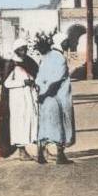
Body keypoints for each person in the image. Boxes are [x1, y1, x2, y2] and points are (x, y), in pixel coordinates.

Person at [34, 33, 75, 165]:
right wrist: (47, 94)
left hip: (44, 96)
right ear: (60, 42)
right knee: (61, 123)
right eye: (66, 41)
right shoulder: (60, 58)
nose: (68, 44)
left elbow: (39, 78)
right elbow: (57, 80)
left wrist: (41, 94)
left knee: (44, 124)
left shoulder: (46, 57)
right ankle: (60, 155)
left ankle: (40, 154)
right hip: (57, 96)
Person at [0, 39, 39, 161]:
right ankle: (21, 151)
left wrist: (32, 82)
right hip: (17, 100)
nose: (24, 51)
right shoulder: (11, 64)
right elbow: (7, 83)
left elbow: (35, 74)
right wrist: (22, 83)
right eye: (21, 49)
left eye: (25, 48)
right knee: (19, 123)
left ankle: (36, 149)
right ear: (16, 50)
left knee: (30, 121)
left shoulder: (28, 62)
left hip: (29, 97)